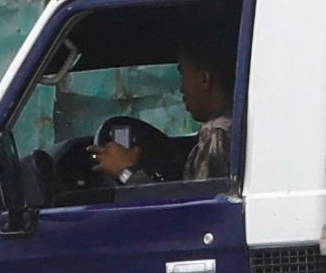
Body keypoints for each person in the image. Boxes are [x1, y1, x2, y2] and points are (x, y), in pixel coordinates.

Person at [89, 20, 239, 187]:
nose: (182, 89)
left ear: (204, 79)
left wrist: (125, 171)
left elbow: (191, 210)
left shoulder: (216, 134)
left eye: (183, 76)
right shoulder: (236, 124)